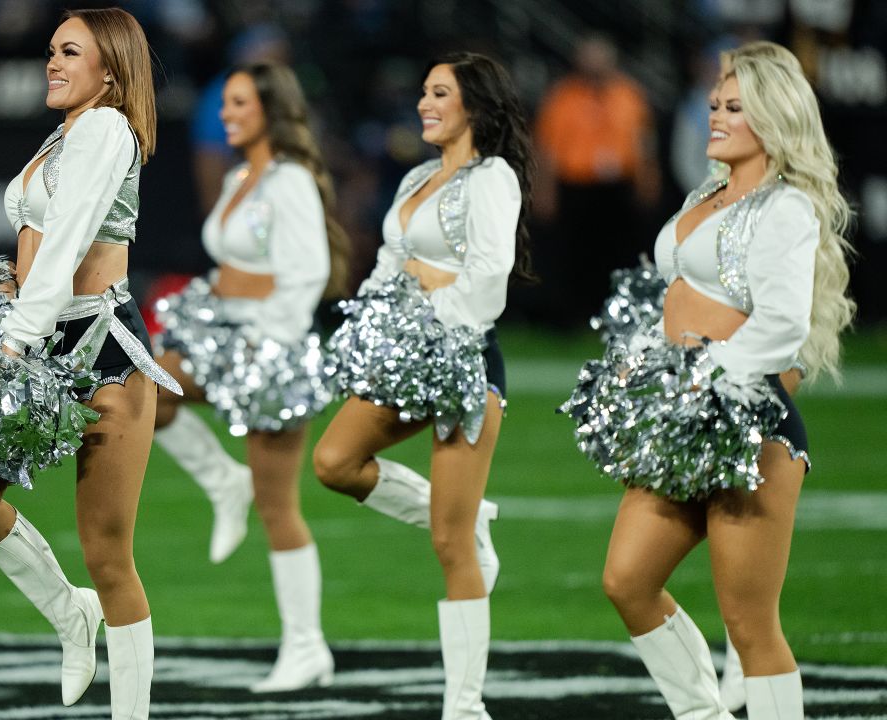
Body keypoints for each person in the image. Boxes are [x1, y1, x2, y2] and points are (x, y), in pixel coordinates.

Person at [565, 41, 855, 719]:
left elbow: (781, 326)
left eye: (734, 108)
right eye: (715, 104)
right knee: (627, 581)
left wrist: (702, 378)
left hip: (747, 425)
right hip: (682, 418)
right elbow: (677, 297)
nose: (714, 117)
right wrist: (642, 358)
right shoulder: (705, 193)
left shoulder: (785, 208)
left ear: (774, 120)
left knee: (751, 625)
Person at [0, 9, 177, 719]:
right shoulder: (64, 133)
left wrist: (16, 334)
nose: (52, 62)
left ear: (111, 70)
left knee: (108, 554)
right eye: (51, 50)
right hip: (37, 337)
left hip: (100, 348)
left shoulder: (106, 129)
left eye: (69, 52)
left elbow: (70, 240)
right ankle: (69, 615)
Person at [314, 52, 534, 718]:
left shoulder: (492, 176)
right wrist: (390, 311)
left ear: (475, 105)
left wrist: (433, 292)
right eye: (423, 93)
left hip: (464, 361)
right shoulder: (415, 177)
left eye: (440, 93)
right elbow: (389, 266)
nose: (424, 104)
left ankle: (464, 706)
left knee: (449, 543)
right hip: (404, 353)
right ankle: (469, 513)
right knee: (334, 462)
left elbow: (488, 282)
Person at [151, 62, 348, 692]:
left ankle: (306, 646)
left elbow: (308, 271)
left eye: (238, 103)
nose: (225, 114)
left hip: (270, 344)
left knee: (278, 506)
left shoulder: (289, 180)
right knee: (145, 391)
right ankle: (220, 481)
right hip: (223, 331)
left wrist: (268, 343)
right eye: (224, 104)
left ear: (271, 109)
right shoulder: (240, 176)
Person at [532, 34, 661, 326]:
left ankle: (617, 315)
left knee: (618, 255)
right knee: (576, 256)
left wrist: (647, 180)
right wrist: (544, 190)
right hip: (577, 187)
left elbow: (644, 142)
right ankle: (576, 316)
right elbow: (547, 148)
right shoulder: (563, 97)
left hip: (618, 188)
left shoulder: (629, 95)